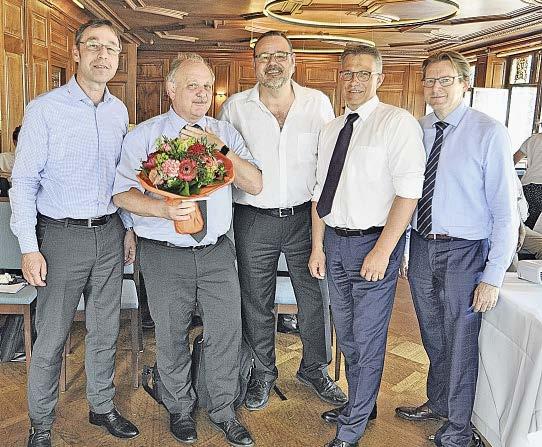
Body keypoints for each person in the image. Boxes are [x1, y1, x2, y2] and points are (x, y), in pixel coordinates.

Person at [112, 53, 262, 447]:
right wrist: (162, 208)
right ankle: (179, 408)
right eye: (192, 85)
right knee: (171, 334)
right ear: (171, 89)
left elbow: (255, 183)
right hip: (163, 253)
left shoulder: (224, 132)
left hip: (216, 252)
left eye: (207, 86)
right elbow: (121, 194)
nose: (201, 94)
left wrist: (220, 148)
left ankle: (224, 410)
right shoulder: (145, 136)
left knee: (226, 332)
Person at [9, 19, 139, 447]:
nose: (104, 55)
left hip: (110, 232)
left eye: (111, 48)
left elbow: (123, 179)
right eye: (94, 46)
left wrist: (128, 228)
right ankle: (41, 424)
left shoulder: (119, 112)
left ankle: (101, 406)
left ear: (117, 58)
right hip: (61, 238)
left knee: (105, 330)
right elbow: (23, 183)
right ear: (77, 52)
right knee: (51, 337)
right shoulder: (44, 109)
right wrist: (29, 248)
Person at [395, 51, 518, 447]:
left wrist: (493, 276)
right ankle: (439, 402)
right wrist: (405, 248)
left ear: (465, 84)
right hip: (422, 246)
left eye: (445, 80)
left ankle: (459, 430)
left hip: (466, 252)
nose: (436, 88)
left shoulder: (489, 132)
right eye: (429, 80)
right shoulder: (417, 129)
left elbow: (506, 212)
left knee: (461, 339)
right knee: (432, 334)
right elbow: (409, 194)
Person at [219, 31, 346, 411]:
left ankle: (314, 369)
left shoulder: (317, 103)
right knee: (256, 299)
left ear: (293, 60)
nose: (272, 63)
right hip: (252, 219)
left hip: (305, 218)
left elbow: (329, 166)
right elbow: (223, 166)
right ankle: (263, 372)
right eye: (263, 56)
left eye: (279, 55)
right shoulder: (235, 108)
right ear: (253, 63)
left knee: (314, 296)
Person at [309, 45, 426, 447]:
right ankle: (363, 403)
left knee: (368, 337)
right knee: (347, 334)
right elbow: (319, 193)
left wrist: (383, 250)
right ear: (339, 77)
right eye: (347, 73)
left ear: (379, 78)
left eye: (363, 73)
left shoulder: (396, 123)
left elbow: (408, 193)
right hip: (334, 243)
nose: (354, 81)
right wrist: (317, 246)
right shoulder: (331, 128)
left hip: (374, 245)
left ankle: (352, 427)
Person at [514, 132, 542, 228]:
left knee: (524, 224)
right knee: (536, 228)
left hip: (527, 187)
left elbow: (512, 161)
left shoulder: (533, 139)